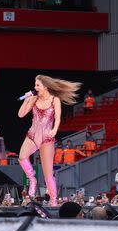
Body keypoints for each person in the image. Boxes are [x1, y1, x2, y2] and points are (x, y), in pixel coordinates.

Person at [17, 75, 81, 206]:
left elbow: (57, 118)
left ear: (45, 86)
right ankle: (32, 179)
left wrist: (55, 129)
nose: (35, 88)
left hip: (46, 138)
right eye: (35, 85)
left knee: (48, 175)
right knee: (22, 157)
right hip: (33, 135)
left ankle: (53, 200)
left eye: (37, 85)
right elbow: (21, 114)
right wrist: (26, 100)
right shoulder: (34, 98)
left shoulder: (54, 100)